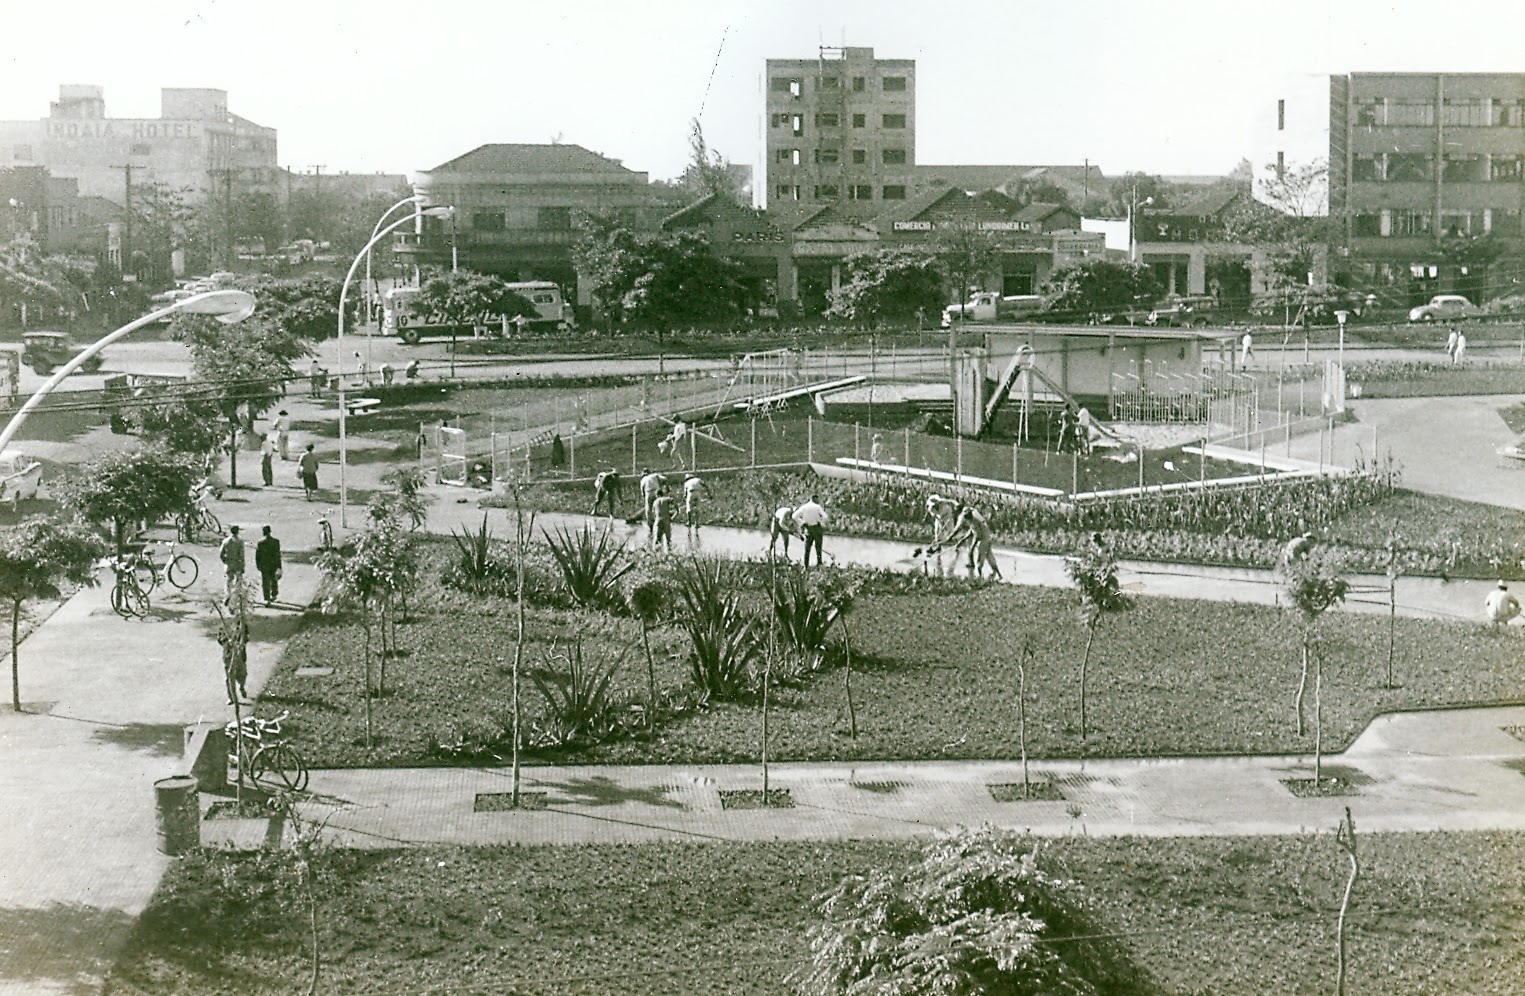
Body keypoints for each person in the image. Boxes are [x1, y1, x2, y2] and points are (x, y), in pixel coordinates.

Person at [940, 502, 1002, 579]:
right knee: (990, 559)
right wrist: (962, 540)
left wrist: (972, 548)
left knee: (979, 562)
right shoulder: (973, 519)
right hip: (987, 538)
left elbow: (977, 535)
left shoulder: (974, 520)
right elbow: (971, 531)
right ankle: (999, 575)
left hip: (983, 541)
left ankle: (979, 578)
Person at [219, 616, 249, 704]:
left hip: (239, 654)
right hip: (228, 655)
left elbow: (246, 637)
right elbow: (220, 638)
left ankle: (241, 686)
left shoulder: (242, 623)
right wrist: (227, 642)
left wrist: (240, 643)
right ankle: (231, 697)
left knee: (243, 673)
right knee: (229, 677)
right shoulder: (224, 624)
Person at [792, 495, 829, 568]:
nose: (818, 501)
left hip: (808, 529)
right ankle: (819, 564)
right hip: (817, 528)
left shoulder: (804, 507)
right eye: (818, 499)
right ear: (815, 499)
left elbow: (794, 516)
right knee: (818, 548)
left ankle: (806, 566)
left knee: (807, 549)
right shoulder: (817, 507)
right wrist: (821, 523)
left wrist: (802, 523)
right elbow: (825, 517)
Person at [255, 525, 283, 605]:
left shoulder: (260, 542)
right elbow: (278, 555)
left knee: (265, 582)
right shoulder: (276, 541)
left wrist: (258, 565)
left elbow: (258, 555)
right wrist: (279, 566)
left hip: (264, 565)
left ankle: (267, 598)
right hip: (273, 564)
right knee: (274, 580)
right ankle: (274, 594)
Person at [219, 525, 246, 597]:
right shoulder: (240, 541)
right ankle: (236, 594)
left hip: (228, 563)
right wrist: (243, 566)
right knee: (239, 579)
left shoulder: (225, 541)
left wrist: (224, 560)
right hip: (237, 563)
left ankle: (228, 594)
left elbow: (221, 553)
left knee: (229, 579)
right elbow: (241, 555)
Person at [638, 469, 665, 534]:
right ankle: (660, 522)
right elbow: (665, 479)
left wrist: (644, 496)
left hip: (648, 492)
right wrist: (660, 486)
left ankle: (651, 526)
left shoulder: (643, 479)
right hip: (656, 491)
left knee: (648, 509)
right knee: (659, 507)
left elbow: (642, 489)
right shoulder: (655, 475)